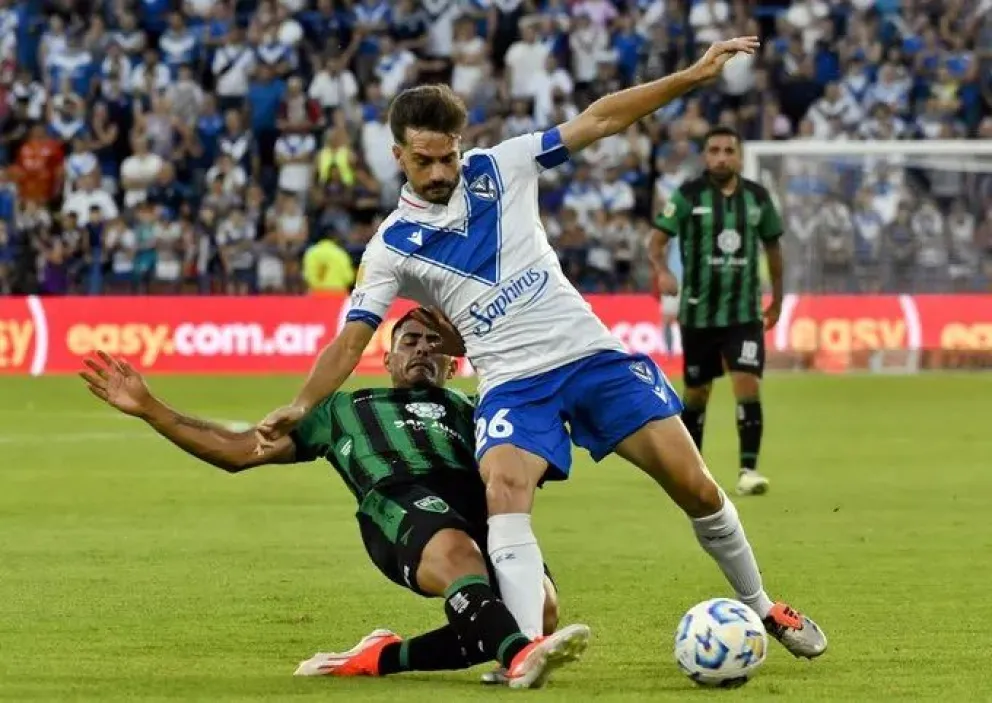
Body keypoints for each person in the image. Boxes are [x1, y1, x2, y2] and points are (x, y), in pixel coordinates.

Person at [255, 38, 827, 660]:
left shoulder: (503, 166)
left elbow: (601, 118)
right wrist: (304, 402)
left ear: (460, 145)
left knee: (696, 487)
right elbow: (354, 336)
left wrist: (691, 75)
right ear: (398, 155)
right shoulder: (391, 247)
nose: (440, 172)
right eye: (424, 161)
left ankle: (761, 604)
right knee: (503, 484)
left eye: (447, 157)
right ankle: (521, 651)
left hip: (588, 355)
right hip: (511, 382)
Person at [78, 311, 588, 689]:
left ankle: (382, 658)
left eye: (435, 343)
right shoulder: (344, 407)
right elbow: (239, 451)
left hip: (476, 510)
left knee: (539, 610)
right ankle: (519, 659)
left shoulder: (475, 410)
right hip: (399, 502)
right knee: (463, 561)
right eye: (410, 340)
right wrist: (150, 409)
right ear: (387, 358)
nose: (422, 350)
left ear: (454, 365)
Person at [651, 126, 785, 497]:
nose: (722, 157)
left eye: (729, 150)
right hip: (698, 314)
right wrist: (661, 271)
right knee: (697, 394)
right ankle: (689, 472)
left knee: (747, 383)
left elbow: (774, 251)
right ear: (705, 156)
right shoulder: (688, 196)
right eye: (714, 150)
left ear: (740, 156)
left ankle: (748, 470)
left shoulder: (757, 198)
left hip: (744, 314)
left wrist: (778, 299)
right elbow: (656, 241)